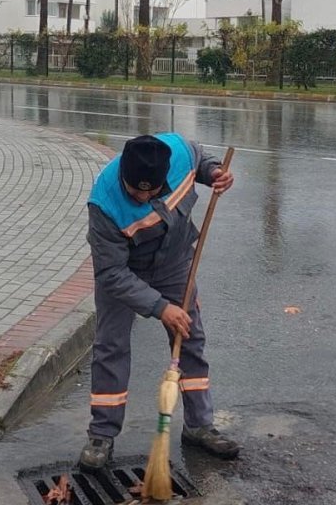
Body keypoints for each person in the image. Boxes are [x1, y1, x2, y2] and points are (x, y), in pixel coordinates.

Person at [79, 132, 240, 472]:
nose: (143, 197)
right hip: (124, 270)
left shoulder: (179, 154)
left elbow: (200, 157)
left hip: (174, 263)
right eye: (136, 191)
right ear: (124, 173)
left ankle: (199, 425)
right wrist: (160, 308)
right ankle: (102, 435)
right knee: (111, 346)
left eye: (151, 192)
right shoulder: (104, 203)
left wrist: (213, 173)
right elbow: (110, 273)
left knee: (190, 338)